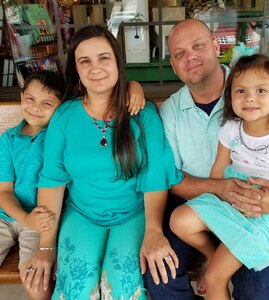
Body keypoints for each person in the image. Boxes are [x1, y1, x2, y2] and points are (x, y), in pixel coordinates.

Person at [143, 19, 269, 300]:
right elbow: (172, 179)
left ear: (216, 46)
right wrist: (220, 189)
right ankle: (214, 258)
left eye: (198, 46)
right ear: (173, 64)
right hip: (203, 202)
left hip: (259, 205)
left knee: (255, 292)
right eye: (179, 54)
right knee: (160, 274)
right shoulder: (171, 111)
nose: (189, 57)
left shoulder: (254, 88)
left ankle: (219, 266)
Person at [24, 24, 182, 300]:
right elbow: (52, 182)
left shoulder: (141, 114)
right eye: (85, 61)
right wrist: (46, 248)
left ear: (118, 62)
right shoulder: (65, 116)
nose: (95, 68)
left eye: (103, 58)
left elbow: (154, 175)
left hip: (134, 215)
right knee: (76, 289)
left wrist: (154, 231)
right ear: (76, 69)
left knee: (121, 288)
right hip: (82, 214)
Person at [0, 70, 65, 300]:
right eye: (30, 99)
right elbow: (4, 192)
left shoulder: (59, 138)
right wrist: (24, 218)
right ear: (21, 97)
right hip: (6, 215)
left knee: (39, 286)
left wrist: (32, 222)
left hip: (42, 220)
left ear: (61, 108)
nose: (36, 107)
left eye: (47, 103)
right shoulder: (8, 140)